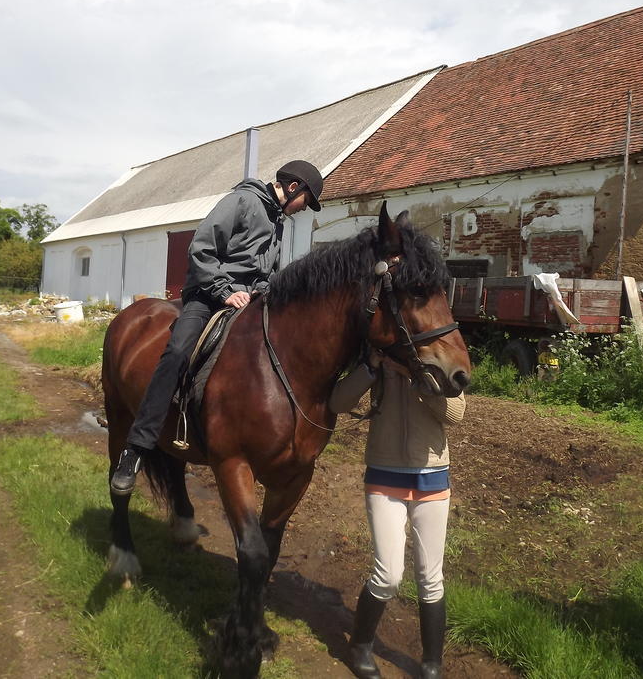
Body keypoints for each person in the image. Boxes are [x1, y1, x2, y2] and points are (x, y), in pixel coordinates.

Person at [110, 159, 324, 496]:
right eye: (306, 201)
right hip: (208, 295)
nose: (303, 208)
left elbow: (264, 272)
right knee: (177, 352)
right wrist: (225, 291)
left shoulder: (277, 220)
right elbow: (201, 248)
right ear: (293, 187)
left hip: (249, 301)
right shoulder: (241, 201)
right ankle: (136, 447)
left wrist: (266, 289)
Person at [330, 352, 466, 679]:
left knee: (430, 577)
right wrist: (370, 367)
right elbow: (338, 402)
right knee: (388, 575)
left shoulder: (438, 355)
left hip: (432, 476)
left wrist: (420, 378)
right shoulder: (377, 354)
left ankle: (432, 661)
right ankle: (359, 646)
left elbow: (457, 413)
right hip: (384, 475)